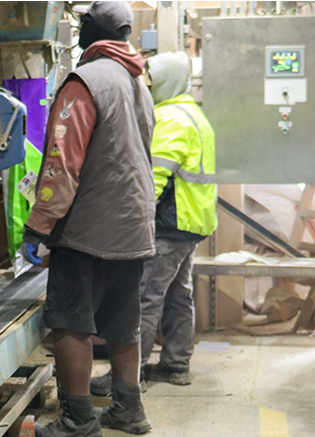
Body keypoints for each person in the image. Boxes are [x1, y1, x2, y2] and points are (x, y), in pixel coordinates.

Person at [21, 0, 157, 437]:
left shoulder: (86, 81)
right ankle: (128, 407)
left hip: (90, 227)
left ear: (88, 32)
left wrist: (39, 225)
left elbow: (62, 162)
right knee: (122, 320)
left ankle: (79, 420)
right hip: (133, 223)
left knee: (69, 320)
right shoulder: (137, 80)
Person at [94, 51, 217, 396]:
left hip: (169, 223)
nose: (146, 88)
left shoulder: (171, 118)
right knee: (179, 296)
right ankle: (176, 366)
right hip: (191, 223)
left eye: (151, 81)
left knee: (145, 298)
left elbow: (154, 177)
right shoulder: (193, 113)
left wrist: (133, 220)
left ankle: (129, 378)